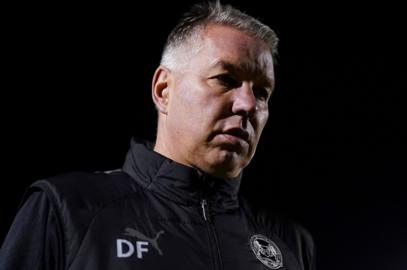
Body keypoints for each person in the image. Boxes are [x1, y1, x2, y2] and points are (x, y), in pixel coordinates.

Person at [0, 1, 316, 269]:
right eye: (225, 79)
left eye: (261, 92)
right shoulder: (67, 210)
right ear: (164, 90)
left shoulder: (290, 243)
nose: (248, 104)